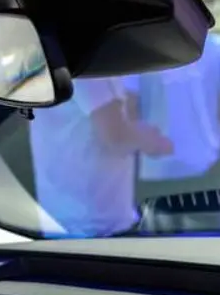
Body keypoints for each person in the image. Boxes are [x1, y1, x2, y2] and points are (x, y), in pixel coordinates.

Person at [29, 76, 173, 236]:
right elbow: (117, 138)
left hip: (71, 222)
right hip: (96, 228)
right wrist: (156, 141)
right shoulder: (90, 73)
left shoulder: (63, 70)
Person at [125, 32, 220, 204]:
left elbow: (128, 104)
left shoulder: (138, 47)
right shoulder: (212, 47)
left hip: (155, 165)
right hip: (206, 161)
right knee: (207, 217)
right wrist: (218, 136)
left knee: (158, 218)